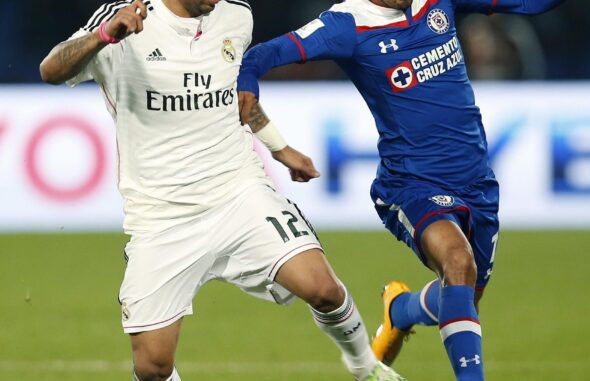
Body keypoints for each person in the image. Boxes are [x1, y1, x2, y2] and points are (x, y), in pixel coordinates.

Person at [39, 1, 407, 380]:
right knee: (152, 366)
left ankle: (367, 369)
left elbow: (231, 92)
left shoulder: (236, 16)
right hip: (163, 215)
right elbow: (50, 69)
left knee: (324, 288)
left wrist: (280, 148)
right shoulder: (127, 17)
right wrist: (102, 37)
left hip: (238, 191)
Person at [237, 0, 567, 379]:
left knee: (463, 293)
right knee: (458, 263)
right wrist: (248, 84)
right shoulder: (347, 24)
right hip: (411, 183)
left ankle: (401, 310)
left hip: (476, 181)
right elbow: (262, 55)